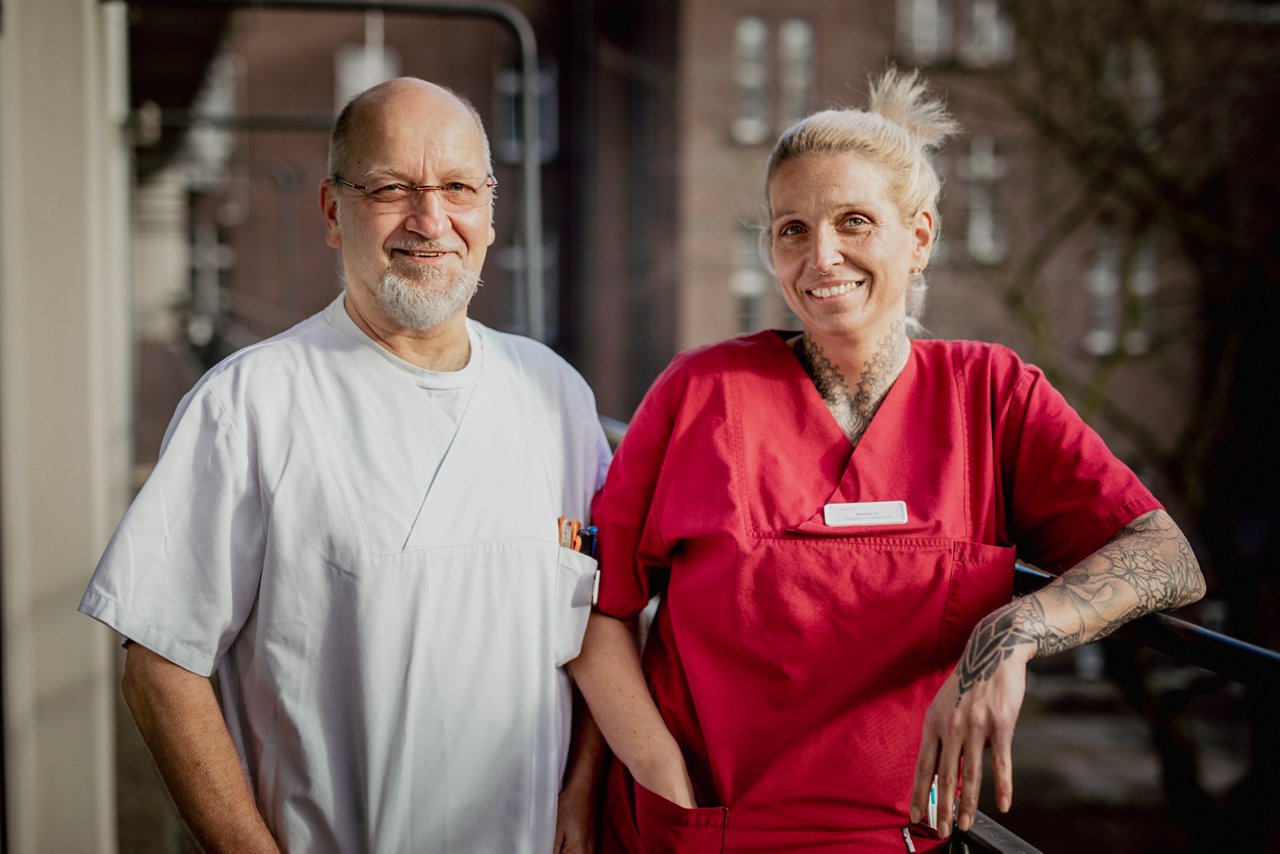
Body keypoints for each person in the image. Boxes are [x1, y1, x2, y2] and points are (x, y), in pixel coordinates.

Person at [568, 68, 1205, 852]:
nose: (820, 255)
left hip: (902, 841)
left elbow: (1168, 558)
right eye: (791, 229)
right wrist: (663, 778)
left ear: (921, 237)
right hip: (707, 831)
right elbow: (602, 612)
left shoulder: (993, 393)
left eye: (854, 221)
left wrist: (1010, 632)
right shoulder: (700, 390)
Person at [79, 78, 611, 853]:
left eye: (458, 187)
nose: (431, 220)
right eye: (392, 188)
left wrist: (584, 791)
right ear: (334, 211)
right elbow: (159, 666)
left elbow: (606, 626)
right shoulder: (252, 403)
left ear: (491, 210)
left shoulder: (555, 395)